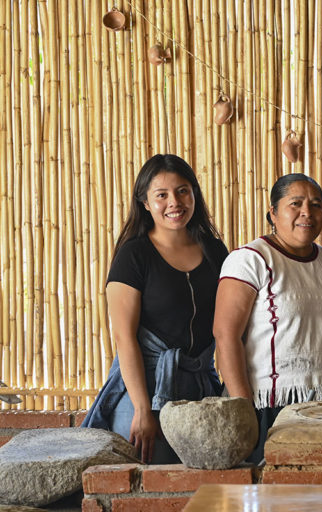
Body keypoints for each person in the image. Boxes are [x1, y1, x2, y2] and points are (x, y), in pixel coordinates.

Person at [82, 154, 228, 463]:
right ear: (145, 203)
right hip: (143, 390)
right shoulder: (134, 256)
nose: (174, 202)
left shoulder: (214, 250)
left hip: (200, 389)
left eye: (183, 191)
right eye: (161, 195)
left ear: (194, 194)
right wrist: (141, 409)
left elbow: (230, 325)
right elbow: (124, 338)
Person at [213, 174, 322, 463]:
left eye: (316, 205)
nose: (307, 213)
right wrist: (245, 410)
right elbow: (226, 335)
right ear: (273, 212)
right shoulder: (251, 259)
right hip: (273, 410)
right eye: (296, 204)